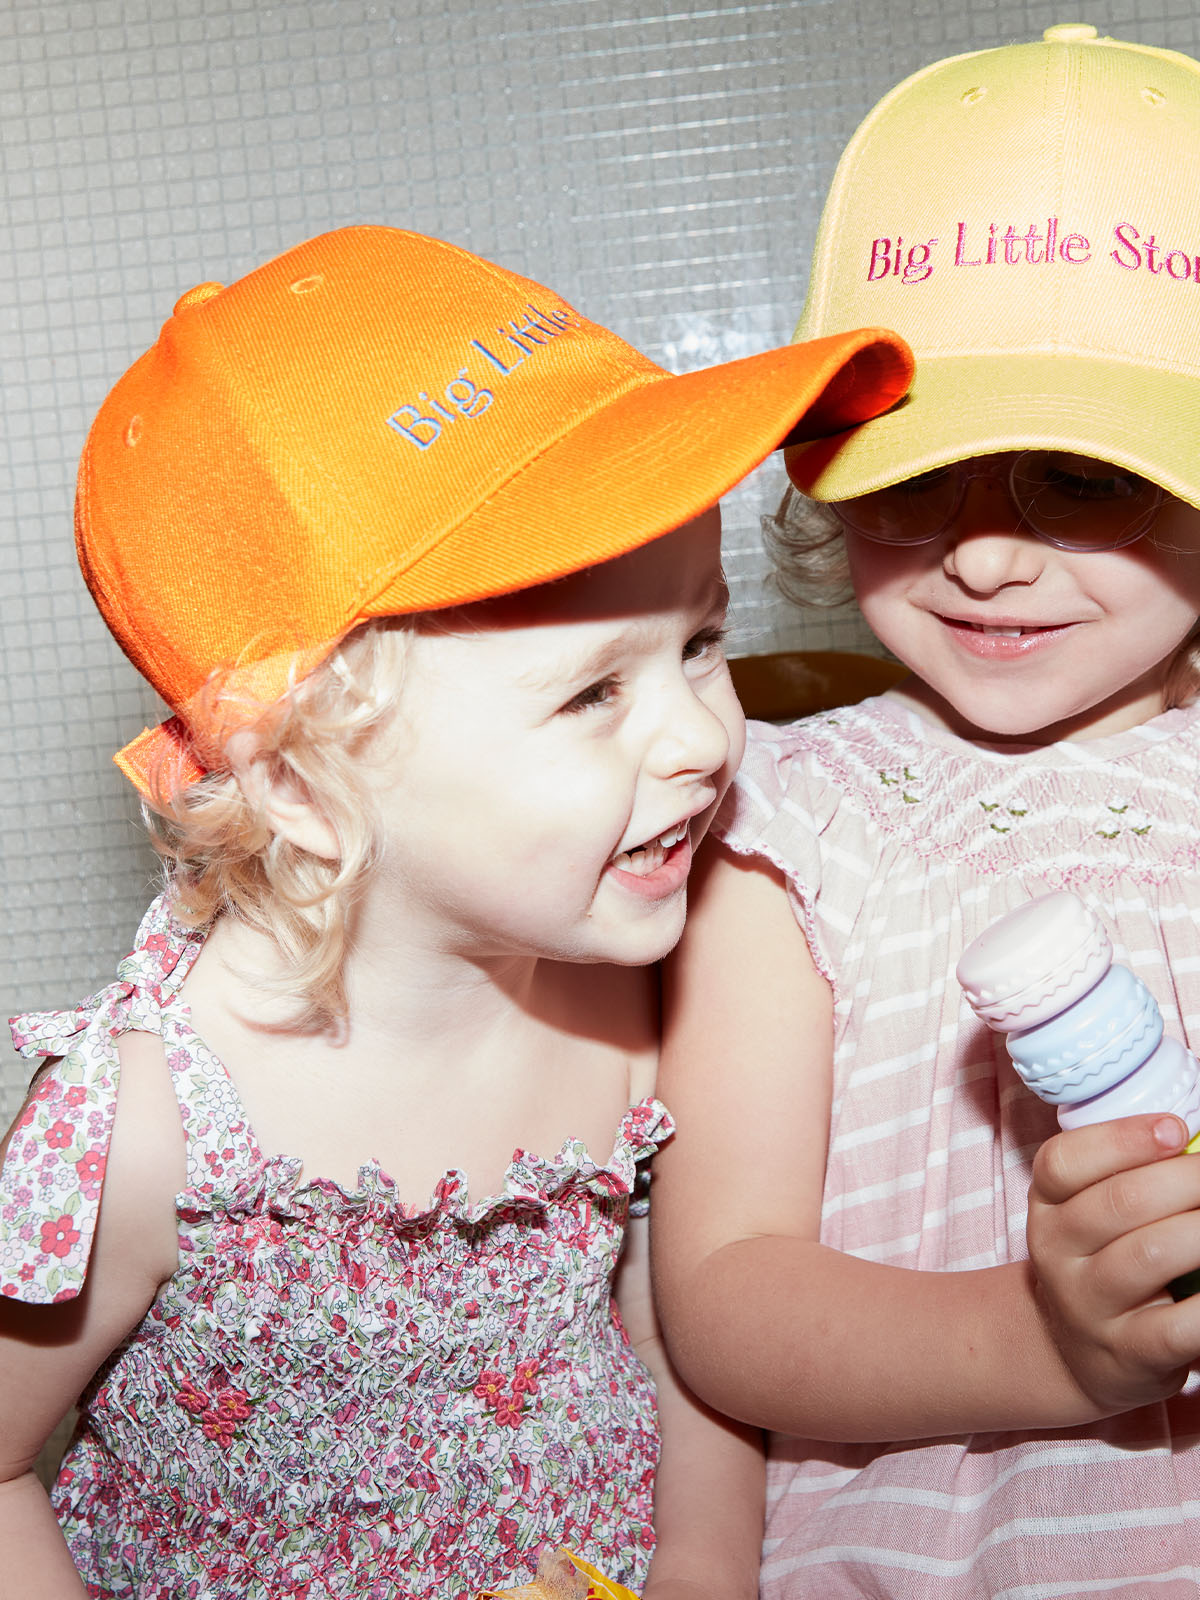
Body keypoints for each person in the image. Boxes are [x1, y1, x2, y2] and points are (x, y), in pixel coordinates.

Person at [0, 225, 910, 1599]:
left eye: (701, 641)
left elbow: (670, 1343)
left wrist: (703, 1564)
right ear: (305, 782)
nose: (702, 736)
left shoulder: (634, 981)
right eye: (593, 692)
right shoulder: (145, 1127)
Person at [651, 25, 1200, 1597]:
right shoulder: (784, 816)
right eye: (914, 477)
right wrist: (1049, 1347)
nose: (982, 557)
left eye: (1080, 479)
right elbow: (729, 1296)